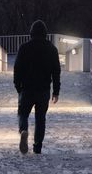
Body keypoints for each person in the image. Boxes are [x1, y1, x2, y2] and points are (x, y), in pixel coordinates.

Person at [13, 20, 61, 154]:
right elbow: (56, 72)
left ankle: (23, 130)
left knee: (23, 113)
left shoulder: (24, 48)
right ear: (45, 34)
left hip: (27, 89)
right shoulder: (52, 49)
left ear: (31, 33)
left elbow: (17, 69)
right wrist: (56, 91)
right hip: (43, 90)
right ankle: (37, 146)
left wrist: (18, 87)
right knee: (40, 119)